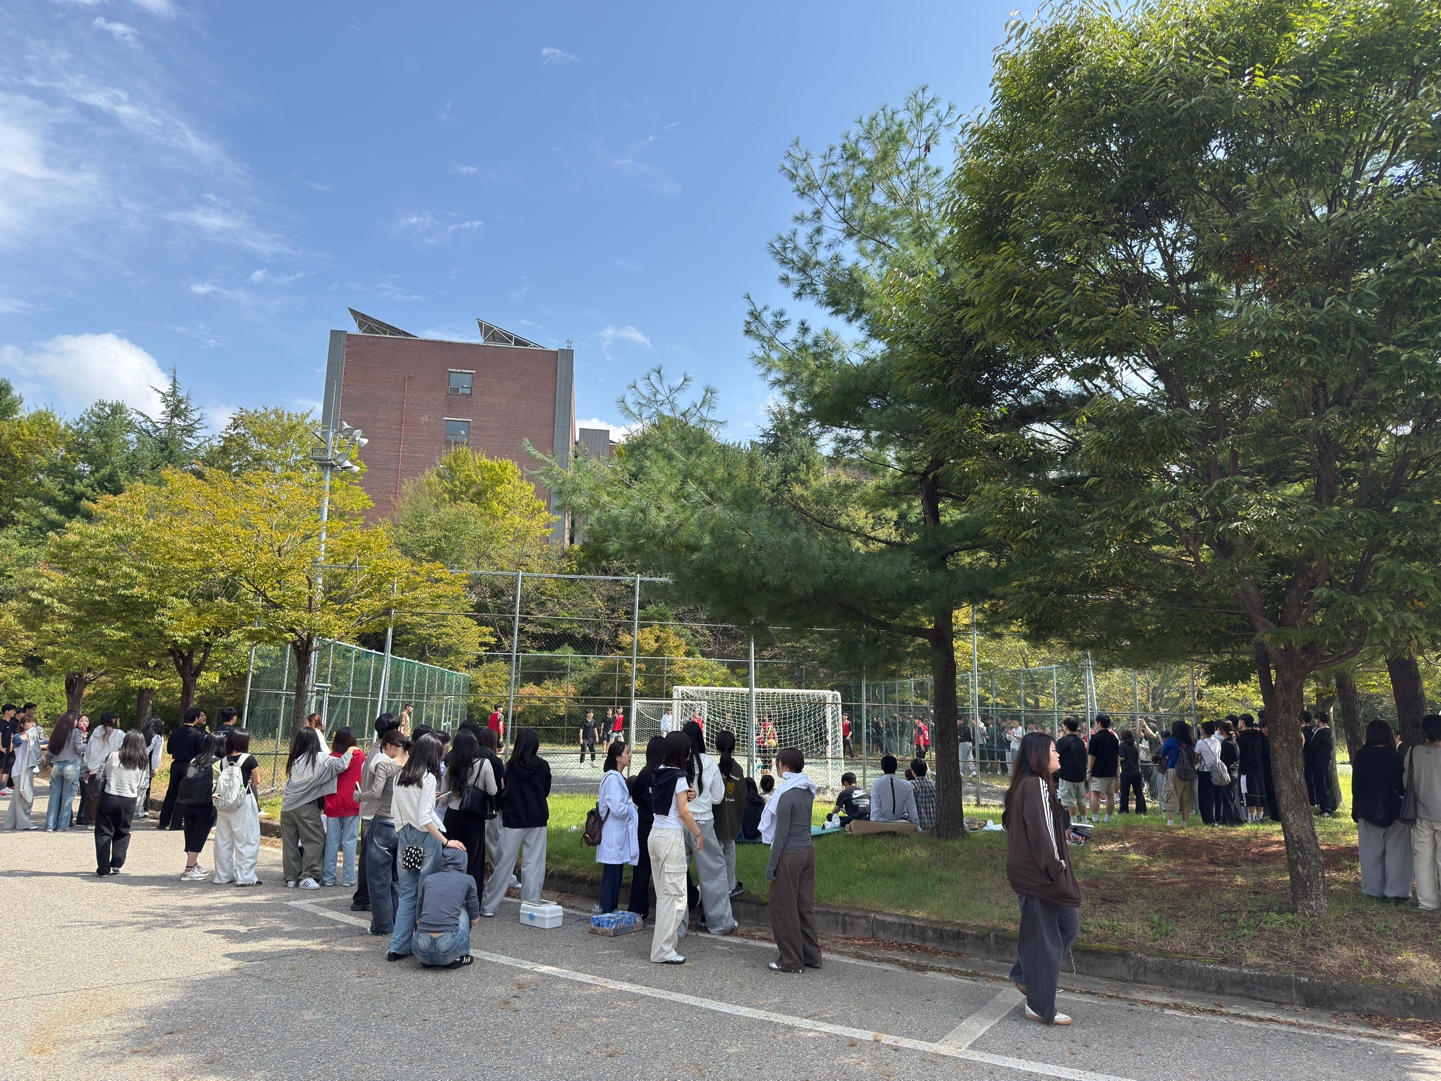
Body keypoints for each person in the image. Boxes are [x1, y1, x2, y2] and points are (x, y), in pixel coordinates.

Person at [1004, 731, 1082, 1026]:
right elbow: (1041, 834)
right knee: (1044, 938)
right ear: (1038, 755)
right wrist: (1056, 869)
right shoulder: (1035, 784)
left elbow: (1042, 827)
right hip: (1040, 874)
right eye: (1052, 749)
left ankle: (1026, 976)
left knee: (1067, 925)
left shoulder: (1029, 784)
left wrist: (1065, 833)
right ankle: (1038, 1005)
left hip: (1035, 871)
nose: (1058, 753)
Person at [387, 734, 467, 960]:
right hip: (427, 839)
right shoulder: (428, 777)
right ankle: (424, 946)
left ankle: (397, 946)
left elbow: (394, 811)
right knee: (427, 895)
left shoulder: (400, 775)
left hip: (405, 837)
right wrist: (446, 841)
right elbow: (424, 817)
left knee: (407, 894)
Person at [761, 747, 821, 973]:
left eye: (778, 763)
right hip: (807, 851)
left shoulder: (786, 795)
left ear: (784, 766)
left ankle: (791, 961)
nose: (777, 767)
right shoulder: (807, 790)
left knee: (784, 909)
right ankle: (811, 956)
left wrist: (770, 868)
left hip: (789, 855)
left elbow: (781, 835)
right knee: (804, 907)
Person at [480, 727, 552, 917]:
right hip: (537, 818)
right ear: (535, 745)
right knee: (533, 864)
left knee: (503, 865)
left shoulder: (510, 766)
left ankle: (488, 906)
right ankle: (530, 905)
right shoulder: (543, 766)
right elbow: (545, 790)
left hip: (512, 819)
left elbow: (503, 791)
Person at [647, 731, 703, 964]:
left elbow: (671, 801)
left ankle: (663, 946)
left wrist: (687, 796)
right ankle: (663, 950)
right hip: (671, 837)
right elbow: (683, 813)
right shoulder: (680, 776)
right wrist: (698, 834)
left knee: (664, 894)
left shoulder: (659, 771)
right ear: (683, 752)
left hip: (655, 835)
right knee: (675, 896)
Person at [679, 721, 737, 936]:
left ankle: (677, 927)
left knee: (677, 874)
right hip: (702, 822)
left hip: (679, 822)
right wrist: (702, 799)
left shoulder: (677, 761)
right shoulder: (709, 763)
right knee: (713, 872)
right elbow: (718, 797)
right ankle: (719, 923)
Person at [280, 727, 356, 890]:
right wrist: (349, 751)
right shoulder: (319, 758)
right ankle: (308, 876)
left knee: (290, 843)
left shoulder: (294, 760)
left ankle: (291, 877)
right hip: (305, 807)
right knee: (315, 839)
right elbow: (340, 765)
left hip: (286, 807)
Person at [1350, 720, 1411, 904]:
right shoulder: (1397, 757)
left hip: (1368, 808)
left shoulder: (1361, 756)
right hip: (1396, 809)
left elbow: (1356, 786)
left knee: (1370, 853)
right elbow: (1403, 786)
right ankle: (1397, 893)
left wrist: (1356, 809)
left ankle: (1373, 890)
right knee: (1398, 852)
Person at [442, 727, 497, 897]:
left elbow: (443, 798)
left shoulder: (452, 767)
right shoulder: (484, 764)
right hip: (474, 816)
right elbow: (493, 790)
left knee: (451, 859)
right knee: (475, 861)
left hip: (453, 815)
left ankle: (450, 897)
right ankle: (473, 900)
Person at [364, 728, 408, 936]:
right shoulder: (413, 767)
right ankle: (399, 922)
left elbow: (375, 793)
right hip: (404, 826)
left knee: (379, 878)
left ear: (389, 746)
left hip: (383, 822)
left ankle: (382, 925)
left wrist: (358, 796)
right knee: (398, 879)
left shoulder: (386, 766)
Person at [90, 729, 149, 876]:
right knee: (122, 832)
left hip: (110, 796)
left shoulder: (111, 756)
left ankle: (103, 868)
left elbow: (101, 774)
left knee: (103, 832)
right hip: (129, 799)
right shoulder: (143, 761)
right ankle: (117, 863)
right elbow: (142, 783)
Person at [411, 845, 480, 969]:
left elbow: (418, 918)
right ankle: (461, 955)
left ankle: (429, 959)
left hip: (421, 950)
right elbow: (475, 920)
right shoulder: (468, 880)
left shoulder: (429, 879)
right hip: (447, 949)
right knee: (463, 906)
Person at [212, 728, 262, 887]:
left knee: (223, 841)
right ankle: (245, 877)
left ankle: (223, 875)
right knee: (246, 839)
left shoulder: (223, 760)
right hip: (242, 803)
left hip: (223, 803)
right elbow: (257, 780)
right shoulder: (249, 759)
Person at [596, 739, 639, 913]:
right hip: (612, 833)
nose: (630, 755)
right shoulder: (613, 779)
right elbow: (617, 808)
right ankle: (606, 911)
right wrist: (632, 810)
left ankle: (610, 910)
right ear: (617, 757)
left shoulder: (616, 777)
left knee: (616, 873)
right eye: (627, 752)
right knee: (611, 874)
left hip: (617, 833)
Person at [627, 735, 665, 921]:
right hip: (662, 825)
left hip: (644, 825)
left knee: (642, 868)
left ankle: (638, 908)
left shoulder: (643, 774)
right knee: (664, 868)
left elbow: (636, 797)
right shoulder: (667, 774)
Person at [321, 727, 365, 888]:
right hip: (352, 803)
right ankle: (348, 878)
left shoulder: (330, 759)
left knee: (331, 841)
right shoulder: (360, 757)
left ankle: (328, 877)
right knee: (350, 841)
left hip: (333, 803)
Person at [178, 733, 225, 880]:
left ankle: (194, 864)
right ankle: (188, 869)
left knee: (190, 833)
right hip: (206, 803)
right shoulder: (219, 762)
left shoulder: (196, 759)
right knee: (200, 835)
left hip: (189, 801)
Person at [1409, 714, 1441, 912]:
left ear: (1424, 731)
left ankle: (1427, 902)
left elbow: (1406, 781)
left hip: (1421, 813)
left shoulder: (1413, 752)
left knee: (1422, 860)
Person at [711, 730, 747, 897]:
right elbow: (742, 796)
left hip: (715, 822)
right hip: (732, 821)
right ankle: (729, 887)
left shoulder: (714, 770)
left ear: (717, 748)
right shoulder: (738, 770)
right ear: (734, 747)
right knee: (729, 850)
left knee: (717, 853)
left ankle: (717, 888)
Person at [159, 708, 207, 831]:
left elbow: (169, 750)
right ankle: (176, 823)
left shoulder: (175, 732)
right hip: (190, 766)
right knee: (184, 793)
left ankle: (163, 821)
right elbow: (200, 752)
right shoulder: (197, 734)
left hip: (175, 764)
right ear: (196, 718)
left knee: (171, 792)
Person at [79, 711, 124, 829]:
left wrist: (88, 767)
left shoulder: (95, 734)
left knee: (93, 796)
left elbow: (88, 752)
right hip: (113, 769)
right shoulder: (119, 734)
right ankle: (108, 821)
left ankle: (91, 821)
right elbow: (124, 749)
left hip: (95, 769)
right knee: (111, 795)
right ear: (112, 720)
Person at [44, 711, 86, 832]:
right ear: (73, 721)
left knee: (54, 796)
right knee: (68, 797)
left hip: (57, 765)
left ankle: (50, 825)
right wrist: (84, 742)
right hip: (71, 764)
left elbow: (50, 751)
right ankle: (63, 825)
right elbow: (78, 748)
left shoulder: (57, 733)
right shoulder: (76, 732)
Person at [3, 711, 43, 830]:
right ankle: (23, 824)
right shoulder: (18, 736)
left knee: (16, 799)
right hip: (20, 770)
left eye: (34, 722)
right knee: (22, 798)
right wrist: (27, 733)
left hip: (27, 770)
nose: (32, 724)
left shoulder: (33, 737)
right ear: (22, 725)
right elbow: (18, 742)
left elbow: (44, 744)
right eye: (29, 722)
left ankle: (9, 824)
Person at [1159, 721, 1197, 827]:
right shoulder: (1189, 742)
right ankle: (1184, 823)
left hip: (1174, 770)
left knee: (1170, 795)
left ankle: (1170, 823)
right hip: (1188, 773)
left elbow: (1163, 753)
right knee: (1186, 799)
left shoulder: (1170, 740)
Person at [1085, 715, 1119, 824]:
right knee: (1110, 794)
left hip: (1098, 771)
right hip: (1111, 770)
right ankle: (1107, 818)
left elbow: (1092, 756)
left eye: (1095, 723)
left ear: (1099, 723)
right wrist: (1116, 771)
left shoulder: (1095, 738)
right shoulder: (1113, 738)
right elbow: (1117, 756)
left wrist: (1089, 770)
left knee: (1095, 793)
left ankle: (1095, 818)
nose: (1094, 725)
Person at [1236, 714, 1268, 823]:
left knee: (1248, 792)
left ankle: (1251, 817)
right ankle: (1259, 816)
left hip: (1246, 769)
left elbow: (1239, 753)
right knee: (1260, 791)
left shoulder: (1241, 737)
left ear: (1243, 722)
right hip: (1259, 767)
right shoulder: (1259, 735)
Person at [1055, 719, 1088, 821]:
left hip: (1067, 775)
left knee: (1070, 801)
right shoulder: (1080, 741)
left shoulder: (1062, 741)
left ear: (1065, 727)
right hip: (1080, 775)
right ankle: (1084, 821)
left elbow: (1056, 755)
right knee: (1081, 800)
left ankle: (1073, 822)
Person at [869, 755, 918, 824]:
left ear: (881, 768)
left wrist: (873, 826)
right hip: (900, 822)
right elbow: (912, 809)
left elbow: (875, 809)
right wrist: (916, 825)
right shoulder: (907, 785)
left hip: (882, 823)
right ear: (896, 768)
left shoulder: (877, 783)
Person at [1306, 713, 1338, 816]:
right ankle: (1328, 806)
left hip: (1320, 761)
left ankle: (1326, 808)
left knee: (1322, 785)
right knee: (1324, 784)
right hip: (1324, 761)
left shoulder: (1322, 732)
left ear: (1318, 720)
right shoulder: (1327, 731)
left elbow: (1313, 746)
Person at [1195, 721, 1224, 826]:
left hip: (1205, 772)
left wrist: (1200, 760)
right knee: (1217, 796)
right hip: (1217, 770)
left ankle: (1208, 820)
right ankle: (1218, 818)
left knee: (1205, 798)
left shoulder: (1201, 743)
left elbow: (1196, 757)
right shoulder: (1217, 742)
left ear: (1203, 730)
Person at [136, 715, 164, 819]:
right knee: (146, 786)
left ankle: (133, 808)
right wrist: (154, 768)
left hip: (135, 760)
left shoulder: (140, 734)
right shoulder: (157, 737)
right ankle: (144, 809)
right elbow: (156, 754)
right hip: (147, 762)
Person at [1117, 729, 1146, 815]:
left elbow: (1122, 757)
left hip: (1126, 771)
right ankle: (1141, 809)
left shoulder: (1122, 745)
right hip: (1136, 771)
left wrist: (1115, 758)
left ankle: (1124, 809)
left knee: (1124, 791)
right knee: (1138, 791)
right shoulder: (1134, 747)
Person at [911, 758, 937, 832]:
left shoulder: (912, 785)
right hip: (935, 824)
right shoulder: (934, 785)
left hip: (919, 825)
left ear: (913, 771)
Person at [0, 702, 16, 796]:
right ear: (6, 711)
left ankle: (3, 787)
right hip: (1, 749)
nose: (14, 712)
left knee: (4, 767)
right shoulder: (1, 722)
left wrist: (10, 745)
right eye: (12, 710)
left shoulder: (10, 723)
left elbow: (11, 735)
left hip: (7, 749)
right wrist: (0, 747)